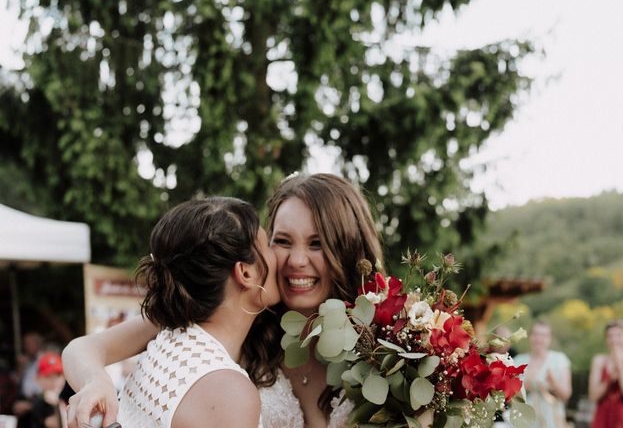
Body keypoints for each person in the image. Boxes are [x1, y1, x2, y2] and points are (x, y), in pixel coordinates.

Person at [62, 173, 383, 427]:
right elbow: (84, 348)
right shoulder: (210, 314)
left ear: (347, 249)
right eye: (282, 241)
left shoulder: (389, 343)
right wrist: (96, 381)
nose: (296, 260)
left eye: (317, 244)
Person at [63, 196, 280, 428]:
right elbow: (80, 348)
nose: (278, 254)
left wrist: (95, 381)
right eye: (268, 244)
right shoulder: (229, 392)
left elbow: (78, 347)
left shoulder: (173, 328)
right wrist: (96, 381)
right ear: (245, 273)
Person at [513, 320, 572, 428]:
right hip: (524, 421)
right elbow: (509, 395)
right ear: (530, 336)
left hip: (552, 421)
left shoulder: (559, 359)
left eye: (543, 335)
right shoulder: (518, 360)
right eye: (535, 334)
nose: (539, 339)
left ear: (549, 339)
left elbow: (566, 395)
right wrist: (524, 386)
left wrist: (553, 383)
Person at [588, 319, 623, 428]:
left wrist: (620, 367)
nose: (614, 340)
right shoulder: (599, 360)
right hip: (602, 418)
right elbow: (593, 395)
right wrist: (610, 378)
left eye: (619, 335)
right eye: (610, 336)